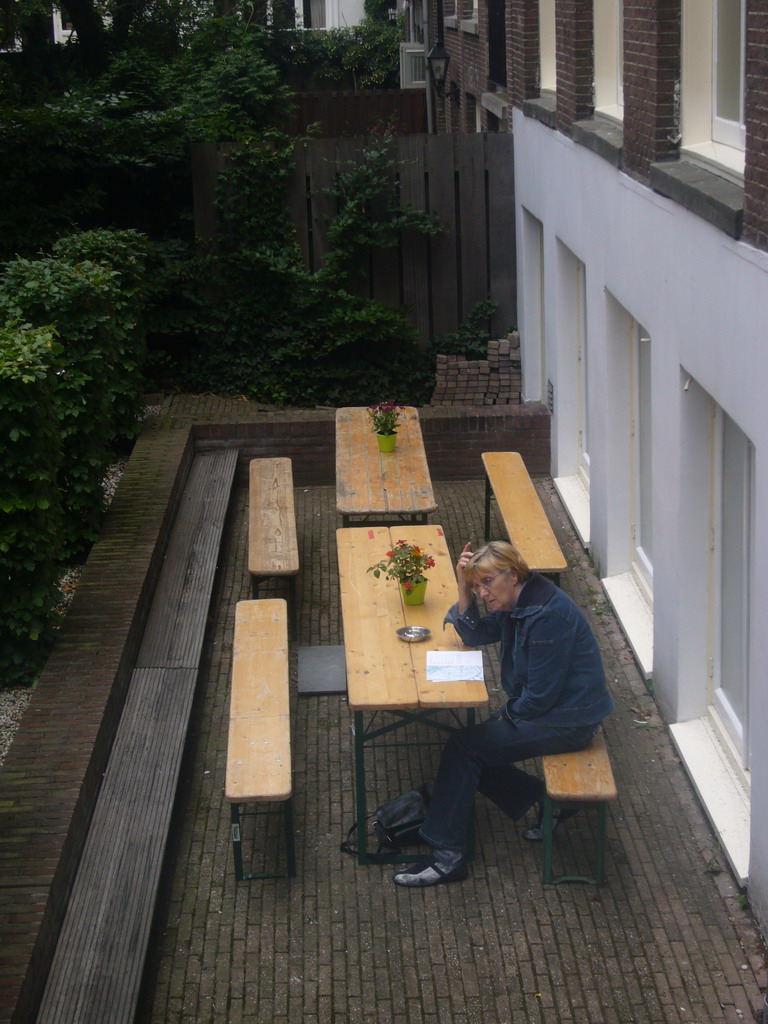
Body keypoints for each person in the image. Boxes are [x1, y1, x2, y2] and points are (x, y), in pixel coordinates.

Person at [392, 540, 614, 887]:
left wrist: (500, 718)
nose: (483, 593)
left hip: (569, 720)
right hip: (553, 708)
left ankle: (446, 856)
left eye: (487, 583)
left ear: (512, 575)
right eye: (478, 585)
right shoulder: (521, 599)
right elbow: (474, 633)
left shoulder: (546, 617)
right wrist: (463, 587)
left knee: (466, 748)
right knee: (472, 748)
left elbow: (539, 699)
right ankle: (544, 801)